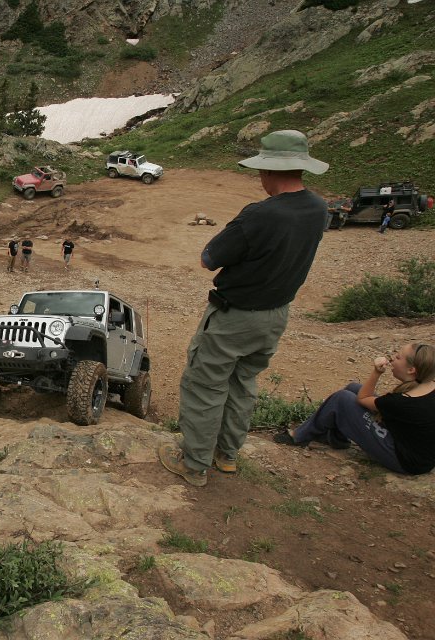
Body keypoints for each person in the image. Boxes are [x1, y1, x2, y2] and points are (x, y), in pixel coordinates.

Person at [158, 130, 329, 487]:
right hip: (276, 315)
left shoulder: (260, 215)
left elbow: (209, 258)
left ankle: (194, 463)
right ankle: (227, 456)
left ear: (269, 170)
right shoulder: (318, 208)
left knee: (205, 385)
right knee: (243, 383)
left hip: (235, 316)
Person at [274, 344, 435, 475]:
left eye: (398, 357)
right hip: (419, 453)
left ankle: (300, 436)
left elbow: (363, 399)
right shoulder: (429, 387)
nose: (393, 358)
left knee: (342, 398)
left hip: (405, 461)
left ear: (411, 370)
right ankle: (336, 438)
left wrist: (377, 372)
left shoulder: (402, 401)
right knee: (353, 388)